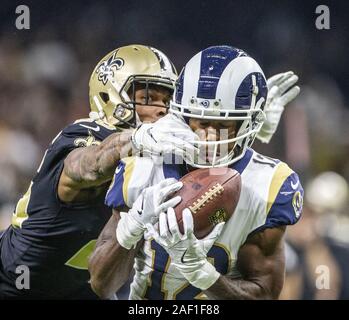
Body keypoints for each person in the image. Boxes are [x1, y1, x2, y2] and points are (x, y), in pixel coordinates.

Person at [89, 45, 304, 299]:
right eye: (201, 122)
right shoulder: (144, 167)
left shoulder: (267, 186)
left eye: (223, 125)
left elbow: (264, 295)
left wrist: (202, 273)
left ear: (250, 123)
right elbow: (102, 284)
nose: (209, 137)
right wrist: (132, 226)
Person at [0, 44, 186, 299]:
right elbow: (89, 165)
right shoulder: (88, 134)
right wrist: (139, 139)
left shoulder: (162, 159)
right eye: (149, 98)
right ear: (112, 95)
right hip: (13, 282)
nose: (162, 109)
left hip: (84, 289)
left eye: (167, 100)